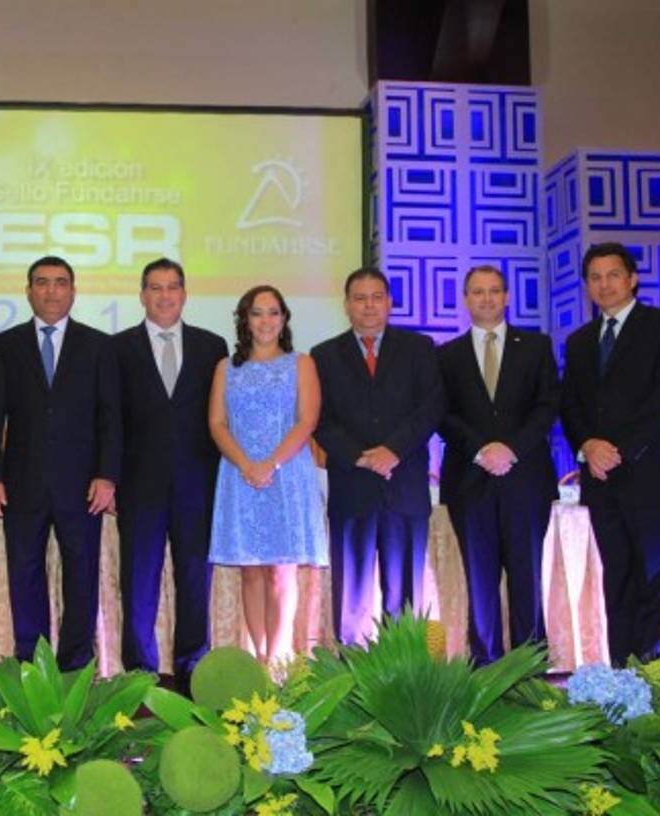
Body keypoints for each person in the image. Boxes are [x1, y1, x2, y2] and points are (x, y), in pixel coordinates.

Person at [0, 255, 121, 671]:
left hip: (83, 486)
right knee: (24, 577)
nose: (51, 290)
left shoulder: (99, 346)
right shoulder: (6, 346)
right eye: (42, 282)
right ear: (28, 290)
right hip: (21, 483)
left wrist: (107, 474)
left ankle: (77, 665)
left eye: (60, 283)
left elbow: (110, 417)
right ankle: (32, 666)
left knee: (81, 577)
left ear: (73, 291)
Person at [561, 242, 660, 667]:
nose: (604, 284)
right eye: (595, 277)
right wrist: (587, 445)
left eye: (613, 274)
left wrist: (619, 450)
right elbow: (571, 406)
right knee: (617, 585)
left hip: (654, 478)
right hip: (602, 483)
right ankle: (623, 677)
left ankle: (657, 680)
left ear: (632, 278)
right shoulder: (580, 341)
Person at [311, 267, 443, 644]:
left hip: (404, 486)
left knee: (404, 593)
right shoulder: (325, 355)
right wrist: (361, 456)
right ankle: (351, 673)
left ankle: (401, 672)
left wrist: (393, 451)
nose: (368, 306)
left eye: (376, 297)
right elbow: (320, 419)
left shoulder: (419, 348)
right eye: (359, 298)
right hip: (352, 486)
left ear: (388, 303)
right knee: (351, 591)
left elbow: (431, 408)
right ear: (346, 305)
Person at [113, 258, 227, 690]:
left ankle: (192, 668)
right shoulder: (118, 348)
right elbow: (111, 420)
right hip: (138, 486)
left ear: (184, 294)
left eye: (173, 287)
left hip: (198, 485)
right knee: (139, 582)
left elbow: (220, 418)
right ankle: (139, 674)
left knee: (195, 579)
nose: (164, 296)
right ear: (142, 295)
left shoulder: (211, 346)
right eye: (155, 288)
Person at [437, 265, 558, 665]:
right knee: (480, 580)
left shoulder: (536, 347)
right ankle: (486, 668)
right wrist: (481, 450)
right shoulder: (447, 355)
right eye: (477, 292)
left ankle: (529, 668)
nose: (486, 298)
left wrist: (509, 449)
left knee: (527, 576)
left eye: (493, 291)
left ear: (506, 297)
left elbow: (546, 408)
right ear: (466, 299)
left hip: (526, 479)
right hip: (470, 481)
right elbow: (442, 414)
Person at [208, 285, 326, 671]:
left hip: (287, 476)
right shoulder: (226, 368)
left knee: (280, 571)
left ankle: (277, 659)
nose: (265, 321)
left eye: (274, 312)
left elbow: (307, 421)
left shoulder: (301, 364)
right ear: (244, 319)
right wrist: (246, 463)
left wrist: (270, 464)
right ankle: (258, 659)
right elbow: (217, 423)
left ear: (284, 319)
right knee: (251, 571)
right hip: (240, 476)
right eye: (257, 313)